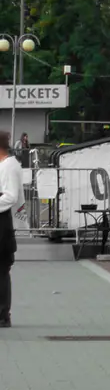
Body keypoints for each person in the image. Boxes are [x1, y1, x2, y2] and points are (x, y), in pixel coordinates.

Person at [0, 130, 23, 328]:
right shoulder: (5, 165)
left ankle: (2, 314)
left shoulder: (9, 166)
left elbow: (10, 196)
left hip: (2, 223)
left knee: (1, 269)